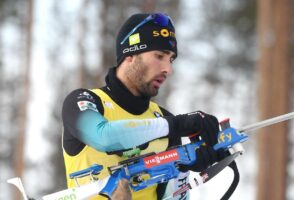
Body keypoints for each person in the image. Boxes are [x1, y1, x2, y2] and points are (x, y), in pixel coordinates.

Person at [61, 12, 223, 200]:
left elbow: (172, 196)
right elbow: (104, 137)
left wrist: (184, 169)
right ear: (130, 55)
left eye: (171, 59)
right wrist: (176, 125)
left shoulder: (162, 117)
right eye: (160, 56)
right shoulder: (85, 101)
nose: (168, 69)